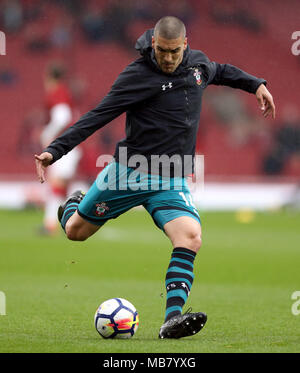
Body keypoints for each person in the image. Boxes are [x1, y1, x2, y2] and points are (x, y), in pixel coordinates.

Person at [35, 16, 275, 338]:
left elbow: (222, 71)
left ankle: (172, 319)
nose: (168, 58)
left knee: (190, 236)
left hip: (170, 179)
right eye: (162, 51)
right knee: (75, 232)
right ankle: (72, 208)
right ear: (153, 44)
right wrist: (55, 150)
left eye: (174, 52)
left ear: (185, 46)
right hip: (128, 172)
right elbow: (98, 115)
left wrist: (255, 84)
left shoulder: (197, 66)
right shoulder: (137, 76)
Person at [39, 62, 82, 235]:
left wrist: (47, 134)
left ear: (49, 76)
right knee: (62, 186)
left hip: (64, 146)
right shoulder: (65, 92)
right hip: (71, 145)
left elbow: (62, 116)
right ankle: (62, 221)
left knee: (57, 184)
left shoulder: (57, 92)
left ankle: (51, 224)